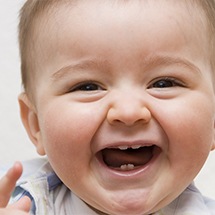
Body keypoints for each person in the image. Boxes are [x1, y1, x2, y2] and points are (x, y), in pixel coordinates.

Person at [1, 0, 215, 214]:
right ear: (36, 124)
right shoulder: (13, 202)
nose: (128, 112)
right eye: (87, 87)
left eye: (164, 83)